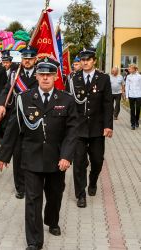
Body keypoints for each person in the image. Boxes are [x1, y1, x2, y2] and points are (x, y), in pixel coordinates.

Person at [0, 57, 78, 250]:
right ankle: (34, 241)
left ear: (55, 76)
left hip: (56, 158)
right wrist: (3, 156)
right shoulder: (23, 98)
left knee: (55, 195)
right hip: (31, 157)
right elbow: (13, 128)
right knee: (32, 200)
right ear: (37, 76)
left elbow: (72, 131)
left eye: (49, 75)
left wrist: (66, 156)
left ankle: (52, 220)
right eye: (42, 74)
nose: (45, 78)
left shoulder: (67, 100)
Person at [66, 48, 113, 208]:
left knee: (97, 160)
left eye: (88, 59)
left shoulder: (103, 79)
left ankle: (93, 181)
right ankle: (81, 194)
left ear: (94, 61)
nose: (85, 62)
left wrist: (108, 125)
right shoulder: (73, 79)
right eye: (82, 59)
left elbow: (108, 103)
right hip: (78, 128)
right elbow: (68, 104)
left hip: (96, 128)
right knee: (78, 162)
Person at [0, 45, 39, 199]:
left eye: (30, 58)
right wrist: (1, 104)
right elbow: (6, 90)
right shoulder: (15, 73)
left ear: (35, 59)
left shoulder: (41, 73)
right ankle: (20, 187)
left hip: (36, 117)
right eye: (24, 58)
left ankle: (33, 184)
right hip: (18, 117)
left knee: (34, 153)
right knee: (18, 154)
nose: (27, 61)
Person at [125, 64, 141, 130]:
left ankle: (137, 120)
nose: (129, 69)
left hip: (139, 94)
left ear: (134, 69)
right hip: (131, 94)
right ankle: (132, 124)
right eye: (129, 68)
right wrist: (126, 96)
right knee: (132, 110)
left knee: (137, 109)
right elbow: (127, 86)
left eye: (130, 68)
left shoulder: (140, 76)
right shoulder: (128, 76)